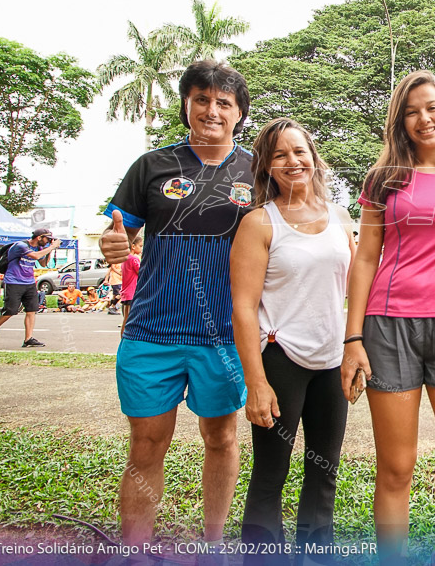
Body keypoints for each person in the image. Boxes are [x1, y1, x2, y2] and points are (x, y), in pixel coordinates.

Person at [340, 70, 435, 565]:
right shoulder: (382, 180)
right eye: (411, 111)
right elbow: (365, 258)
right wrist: (353, 338)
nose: (424, 119)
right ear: (400, 122)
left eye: (431, 107)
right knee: (396, 467)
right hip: (388, 328)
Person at [100, 60, 253, 551]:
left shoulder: (257, 169)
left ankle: (211, 546)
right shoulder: (152, 165)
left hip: (225, 337)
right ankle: (135, 551)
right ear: (186, 106)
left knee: (222, 439)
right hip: (151, 334)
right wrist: (112, 240)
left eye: (223, 103)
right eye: (201, 100)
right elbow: (117, 227)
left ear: (239, 114)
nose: (212, 110)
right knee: (146, 445)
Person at [231, 118, 356, 561]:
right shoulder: (259, 223)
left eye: (299, 151)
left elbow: (357, 288)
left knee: (325, 472)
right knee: (271, 470)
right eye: (280, 155)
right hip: (280, 358)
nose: (292, 161)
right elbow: (243, 308)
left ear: (313, 157)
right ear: (266, 166)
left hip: (330, 361)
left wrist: (355, 348)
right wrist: (257, 382)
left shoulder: (340, 218)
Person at [0, 229, 60, 348]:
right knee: (10, 310)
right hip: (14, 281)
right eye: (47, 239)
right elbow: (34, 256)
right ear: (39, 237)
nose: (48, 241)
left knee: (31, 310)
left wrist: (51, 249)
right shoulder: (21, 246)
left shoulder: (40, 248)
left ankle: (28, 339)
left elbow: (43, 263)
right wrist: (51, 247)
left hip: (29, 282)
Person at [119, 236, 143, 336]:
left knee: (126, 318)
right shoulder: (134, 259)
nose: (141, 248)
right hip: (132, 292)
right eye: (140, 246)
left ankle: (123, 339)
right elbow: (141, 272)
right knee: (129, 319)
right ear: (133, 246)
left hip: (125, 292)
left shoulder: (125, 258)